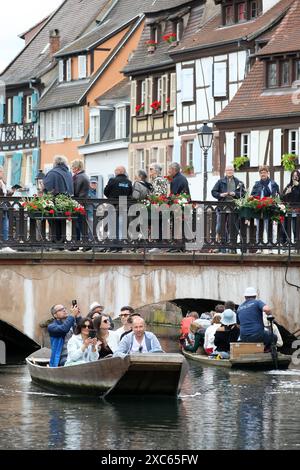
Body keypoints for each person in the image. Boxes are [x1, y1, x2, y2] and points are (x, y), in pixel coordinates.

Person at [211, 166, 245, 252]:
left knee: (232, 227)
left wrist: (235, 194)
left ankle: (232, 247)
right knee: (220, 227)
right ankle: (222, 247)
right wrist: (221, 195)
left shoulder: (239, 182)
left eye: (231, 170)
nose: (230, 172)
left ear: (233, 171)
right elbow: (213, 192)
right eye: (228, 170)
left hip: (234, 208)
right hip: (222, 207)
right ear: (225, 171)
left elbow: (243, 193)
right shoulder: (220, 181)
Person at [43, 155, 74, 244]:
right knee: (62, 222)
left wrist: (42, 187)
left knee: (54, 223)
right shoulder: (68, 173)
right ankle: (61, 242)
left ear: (55, 163)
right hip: (66, 202)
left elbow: (47, 187)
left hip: (55, 202)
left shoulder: (52, 173)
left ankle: (56, 242)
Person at [251, 166, 279, 253]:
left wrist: (271, 201)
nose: (263, 174)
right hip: (259, 208)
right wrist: (255, 200)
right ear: (259, 174)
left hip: (269, 208)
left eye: (264, 172)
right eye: (261, 172)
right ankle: (259, 247)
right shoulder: (256, 184)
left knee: (269, 228)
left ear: (267, 173)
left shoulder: (273, 183)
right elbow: (252, 195)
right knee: (259, 228)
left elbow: (276, 195)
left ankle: (270, 247)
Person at [104, 166, 132, 247]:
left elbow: (106, 191)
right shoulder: (128, 182)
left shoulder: (113, 180)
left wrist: (111, 196)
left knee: (113, 224)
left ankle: (114, 244)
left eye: (115, 170)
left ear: (119, 171)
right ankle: (120, 242)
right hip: (124, 204)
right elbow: (130, 193)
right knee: (121, 224)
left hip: (113, 204)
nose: (115, 171)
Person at [48, 303, 81, 367]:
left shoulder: (72, 322)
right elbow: (64, 329)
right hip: (64, 357)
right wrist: (72, 315)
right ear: (55, 315)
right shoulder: (51, 327)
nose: (64, 310)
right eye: (60, 310)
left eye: (64, 308)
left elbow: (83, 329)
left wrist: (78, 316)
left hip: (78, 353)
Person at [71, 160, 90, 246]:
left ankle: (79, 244)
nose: (72, 169)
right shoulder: (84, 176)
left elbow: (75, 190)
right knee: (81, 224)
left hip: (78, 203)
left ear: (76, 168)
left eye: (73, 168)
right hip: (83, 202)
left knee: (78, 225)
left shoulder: (78, 177)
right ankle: (84, 243)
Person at [282, 169, 300, 248]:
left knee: (296, 228)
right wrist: (287, 193)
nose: (295, 178)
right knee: (287, 227)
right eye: (293, 176)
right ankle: (286, 243)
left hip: (297, 211)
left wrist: (297, 186)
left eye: (296, 176)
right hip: (288, 210)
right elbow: (282, 197)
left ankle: (296, 245)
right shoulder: (288, 185)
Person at [0, 166, 14, 250]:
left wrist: (12, 192)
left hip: (4, 207)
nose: (2, 173)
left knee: (6, 226)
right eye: (1, 171)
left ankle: (5, 244)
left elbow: (5, 194)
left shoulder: (2, 182)